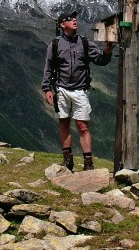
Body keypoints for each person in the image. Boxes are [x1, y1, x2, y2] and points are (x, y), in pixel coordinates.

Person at [42, 10, 114, 171]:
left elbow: (100, 60)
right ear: (62, 25)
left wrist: (108, 51)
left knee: (82, 126)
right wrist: (46, 88)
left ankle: (88, 163)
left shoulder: (85, 42)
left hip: (81, 90)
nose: (74, 21)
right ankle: (68, 161)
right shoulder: (54, 44)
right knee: (64, 123)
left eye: (75, 18)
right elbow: (48, 68)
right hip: (61, 90)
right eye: (70, 19)